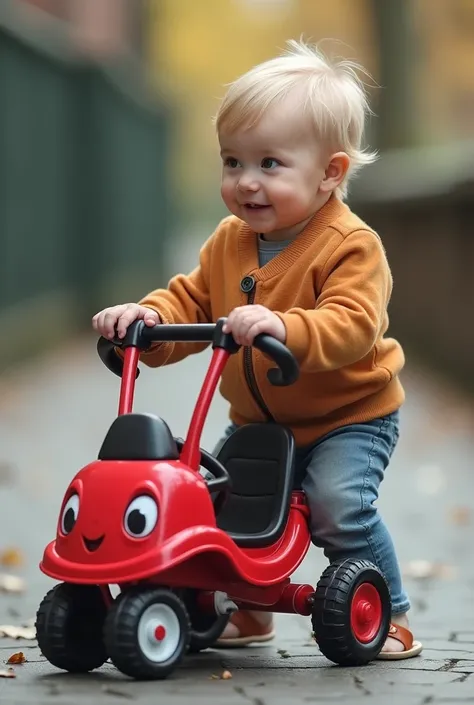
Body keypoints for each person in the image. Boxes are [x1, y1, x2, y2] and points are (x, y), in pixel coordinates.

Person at [92, 39, 422, 659]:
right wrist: (145, 320)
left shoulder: (352, 246)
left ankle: (390, 609)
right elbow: (188, 302)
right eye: (232, 162)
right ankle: (246, 609)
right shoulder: (228, 241)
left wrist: (282, 326)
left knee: (335, 505)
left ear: (331, 173)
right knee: (214, 504)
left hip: (348, 417)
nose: (246, 182)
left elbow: (351, 325)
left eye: (270, 164)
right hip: (261, 423)